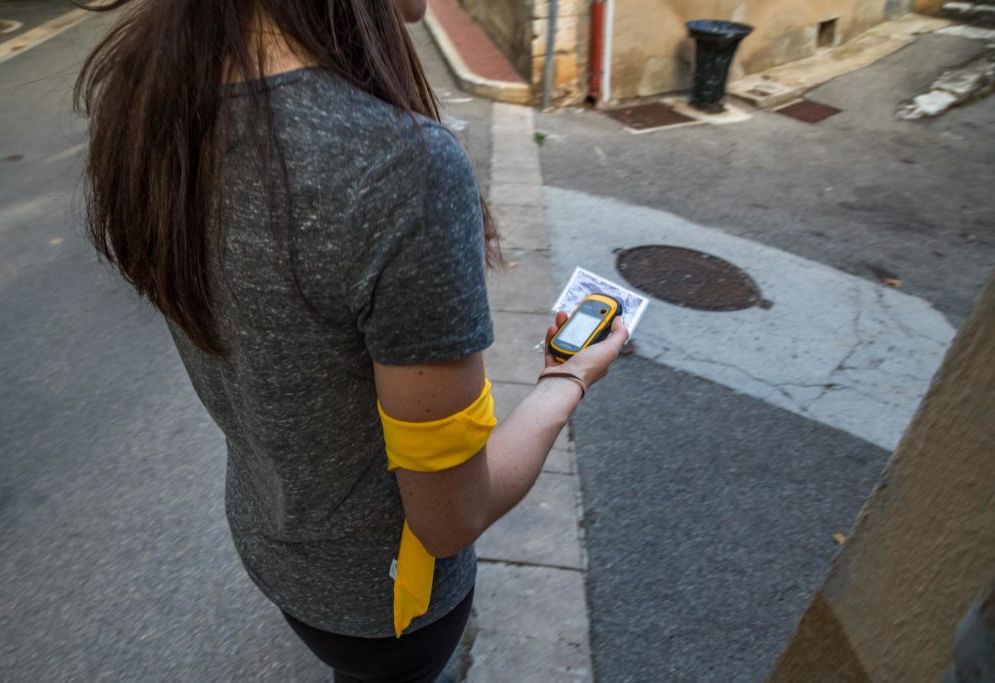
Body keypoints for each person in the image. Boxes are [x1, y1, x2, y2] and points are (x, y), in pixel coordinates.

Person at [75, 1, 628, 681]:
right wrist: (564, 382)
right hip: (391, 604)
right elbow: (450, 518)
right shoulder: (401, 168)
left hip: (271, 543)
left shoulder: (145, 94)